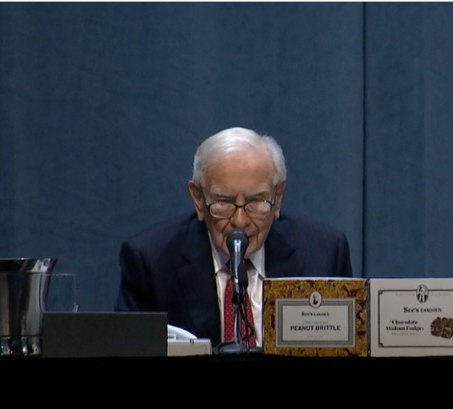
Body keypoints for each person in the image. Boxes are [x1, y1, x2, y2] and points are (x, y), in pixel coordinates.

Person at [115, 127, 353, 346]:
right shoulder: (152, 261)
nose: (240, 221)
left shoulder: (324, 254)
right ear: (198, 199)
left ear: (278, 196)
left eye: (256, 201)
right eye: (224, 203)